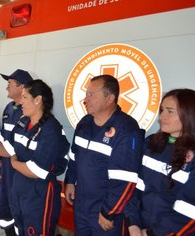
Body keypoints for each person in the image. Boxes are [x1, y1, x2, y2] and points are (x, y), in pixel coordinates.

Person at [0, 79, 70, 236]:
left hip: (39, 197)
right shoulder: (23, 122)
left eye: (25, 97)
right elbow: (8, 148)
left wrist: (13, 162)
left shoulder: (51, 129)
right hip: (20, 192)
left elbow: (36, 170)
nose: (20, 102)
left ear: (37, 100)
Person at [64, 74, 145, 235]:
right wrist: (70, 180)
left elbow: (126, 179)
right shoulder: (84, 123)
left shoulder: (126, 128)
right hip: (82, 204)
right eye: (86, 94)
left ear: (110, 99)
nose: (85, 100)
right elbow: (74, 156)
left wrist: (109, 211)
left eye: (91, 95)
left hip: (106, 210)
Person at [134, 89, 195, 235]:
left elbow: (192, 211)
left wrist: (151, 233)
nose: (161, 117)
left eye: (170, 111)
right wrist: (133, 224)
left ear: (190, 114)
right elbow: (135, 188)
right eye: (162, 110)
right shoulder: (151, 143)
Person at [0, 69, 33, 236]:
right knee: (2, 211)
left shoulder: (31, 113)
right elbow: (3, 138)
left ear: (22, 87)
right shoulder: (8, 109)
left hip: (21, 171)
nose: (6, 87)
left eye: (10, 84)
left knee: (21, 214)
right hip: (7, 169)